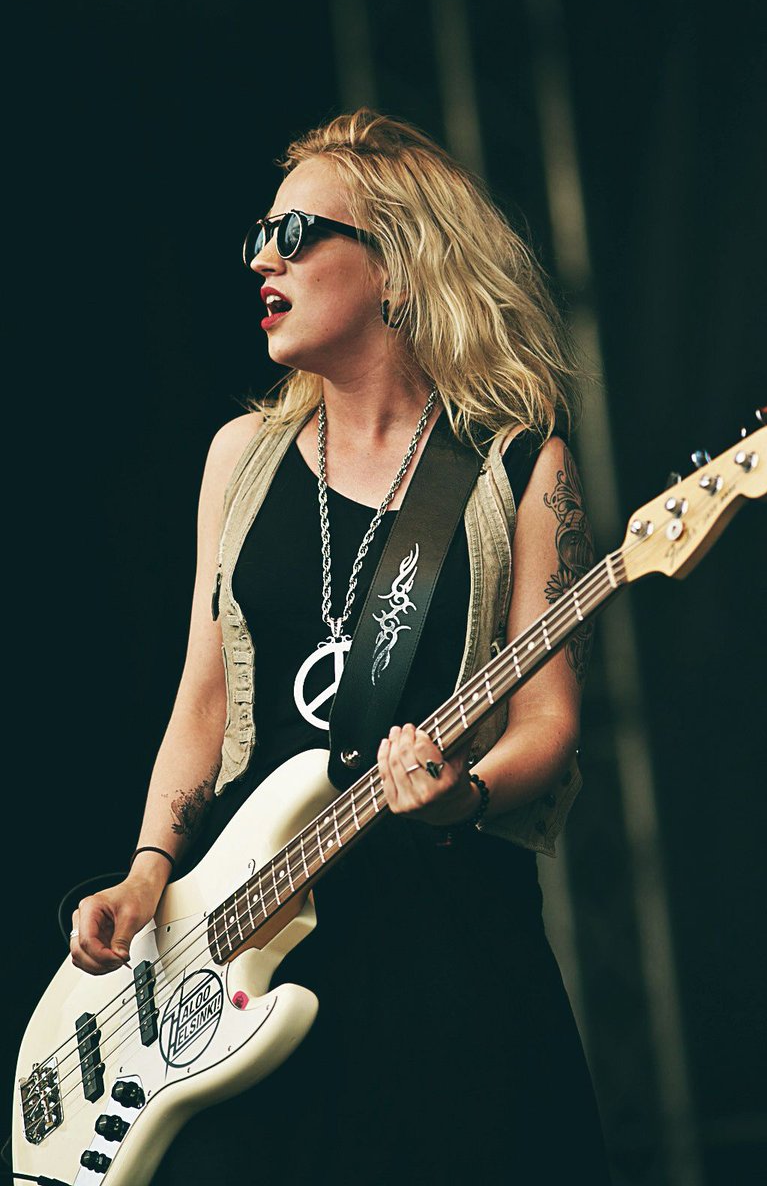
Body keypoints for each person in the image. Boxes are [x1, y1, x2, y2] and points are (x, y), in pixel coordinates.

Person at [69, 109, 610, 1183]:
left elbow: (548, 720)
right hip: (250, 950)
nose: (262, 259)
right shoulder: (241, 458)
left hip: (447, 947)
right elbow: (204, 700)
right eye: (258, 236)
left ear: (396, 265)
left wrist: (460, 794)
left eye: (296, 233)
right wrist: (146, 873)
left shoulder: (514, 467)